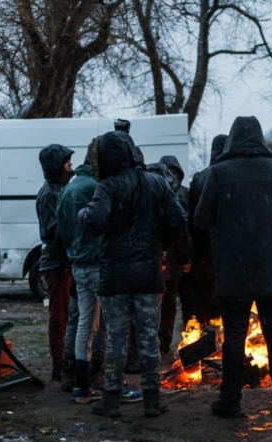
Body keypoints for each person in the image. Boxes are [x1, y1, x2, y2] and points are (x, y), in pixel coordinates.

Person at [79, 131, 187, 418]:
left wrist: (83, 215)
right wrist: (158, 245)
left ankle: (111, 400)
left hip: (115, 273)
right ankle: (153, 399)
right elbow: (179, 221)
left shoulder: (108, 186)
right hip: (149, 272)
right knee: (148, 337)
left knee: (116, 336)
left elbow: (96, 220)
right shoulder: (157, 183)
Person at [195, 116, 272, 417]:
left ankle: (231, 400)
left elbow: (201, 219)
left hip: (234, 269)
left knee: (235, 336)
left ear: (231, 139)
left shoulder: (219, 172)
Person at [56, 148, 103, 401]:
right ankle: (93, 379)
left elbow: (60, 229)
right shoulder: (95, 188)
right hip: (95, 262)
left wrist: (74, 252)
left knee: (84, 321)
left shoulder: (68, 190)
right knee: (103, 324)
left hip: (78, 264)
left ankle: (79, 383)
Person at [36, 144, 75, 381]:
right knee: (59, 315)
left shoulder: (59, 190)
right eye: (66, 161)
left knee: (67, 315)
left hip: (62, 261)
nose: (70, 165)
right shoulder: (50, 193)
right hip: (57, 263)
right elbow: (54, 231)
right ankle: (59, 365)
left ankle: (64, 361)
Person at [188, 135, 227, 326]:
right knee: (226, 302)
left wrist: (198, 253)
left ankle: (206, 340)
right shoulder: (229, 175)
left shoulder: (200, 177)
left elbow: (193, 218)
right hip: (228, 251)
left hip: (205, 252)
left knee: (204, 301)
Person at [157, 156, 193, 359]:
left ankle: (163, 345)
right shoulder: (162, 196)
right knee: (161, 307)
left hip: (170, 263)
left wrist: (185, 259)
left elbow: (186, 231)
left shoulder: (183, 195)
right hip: (163, 262)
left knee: (169, 307)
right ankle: (159, 347)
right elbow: (180, 232)